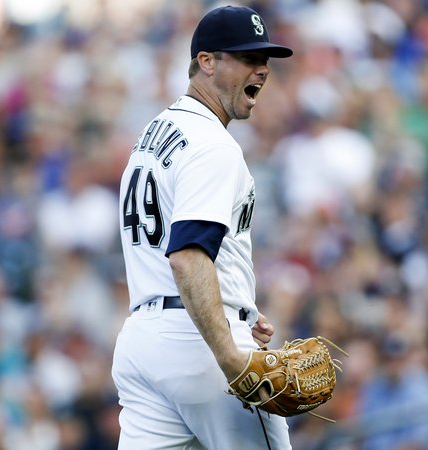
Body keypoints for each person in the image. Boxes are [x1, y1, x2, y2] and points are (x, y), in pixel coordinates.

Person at [111, 5, 293, 450]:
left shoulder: (153, 135)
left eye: (264, 59)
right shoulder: (213, 145)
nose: (262, 69)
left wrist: (237, 304)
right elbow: (188, 256)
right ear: (206, 61)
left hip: (144, 343)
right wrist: (229, 351)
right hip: (200, 348)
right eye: (247, 57)